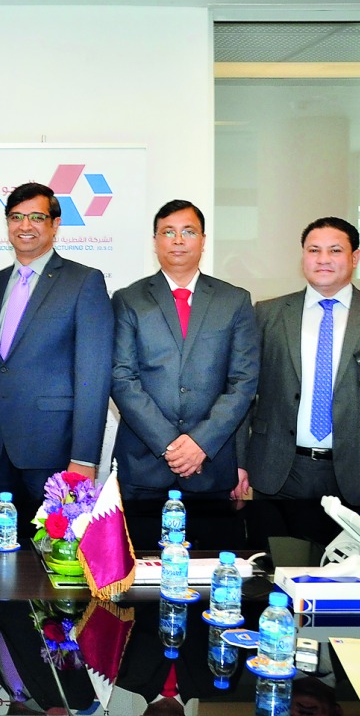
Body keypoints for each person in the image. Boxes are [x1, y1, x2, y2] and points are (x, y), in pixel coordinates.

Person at [245, 216, 360, 508]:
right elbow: (243, 393)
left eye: (335, 250)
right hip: (279, 471)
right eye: (313, 250)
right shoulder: (268, 314)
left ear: (354, 257)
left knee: (357, 556)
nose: (323, 259)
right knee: (279, 555)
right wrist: (240, 462)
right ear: (303, 256)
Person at [0, 182, 114, 501]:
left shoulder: (83, 282)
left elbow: (93, 376)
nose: (25, 226)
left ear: (55, 224)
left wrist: (84, 458)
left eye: (36, 217)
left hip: (54, 454)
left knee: (53, 550)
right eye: (15, 217)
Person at [110, 200, 258, 500]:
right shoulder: (129, 299)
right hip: (143, 465)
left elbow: (243, 381)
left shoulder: (234, 300)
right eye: (168, 232)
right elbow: (122, 378)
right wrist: (170, 445)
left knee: (214, 548)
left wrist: (200, 443)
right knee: (138, 547)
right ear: (155, 242)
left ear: (203, 240)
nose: (178, 240)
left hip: (211, 464)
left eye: (188, 231)